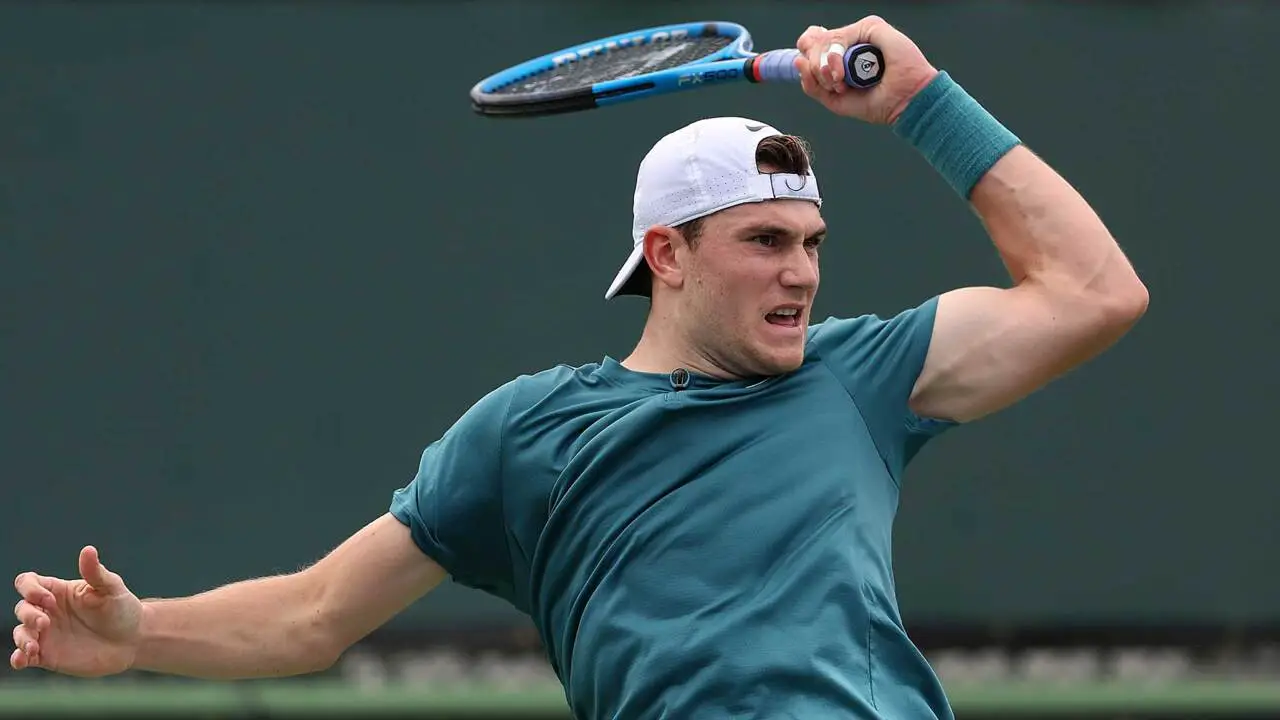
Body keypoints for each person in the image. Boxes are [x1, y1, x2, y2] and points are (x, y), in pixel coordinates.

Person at [10, 16, 1147, 720]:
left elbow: (1095, 293)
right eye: (764, 241)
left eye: (810, 244)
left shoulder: (859, 376)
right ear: (667, 255)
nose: (801, 272)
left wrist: (921, 104)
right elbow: (314, 614)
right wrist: (142, 634)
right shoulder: (528, 434)